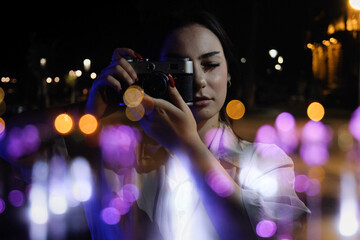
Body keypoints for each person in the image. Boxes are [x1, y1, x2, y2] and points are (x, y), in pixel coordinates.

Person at [0, 10, 309, 240]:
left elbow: (269, 232)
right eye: (177, 68)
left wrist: (188, 147)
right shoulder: (114, 156)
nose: (199, 81)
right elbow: (10, 144)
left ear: (229, 74)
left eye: (211, 64)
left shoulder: (265, 162)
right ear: (150, 77)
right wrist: (84, 112)